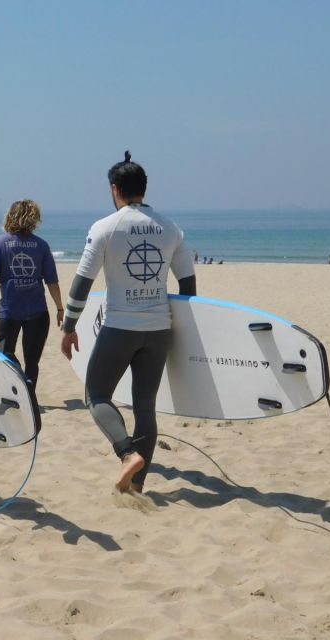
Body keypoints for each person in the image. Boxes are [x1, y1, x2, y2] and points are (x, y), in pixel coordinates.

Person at [60, 151, 196, 494]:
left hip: (121, 327)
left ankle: (126, 454)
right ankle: (136, 487)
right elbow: (188, 285)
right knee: (145, 406)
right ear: (144, 188)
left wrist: (69, 326)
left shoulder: (105, 228)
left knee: (97, 395)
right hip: (159, 329)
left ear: (115, 189)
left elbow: (82, 282)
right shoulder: (170, 228)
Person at [0, 199, 63, 389]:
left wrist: (6, 278)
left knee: (5, 354)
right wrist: (60, 308)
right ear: (34, 218)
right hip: (38, 311)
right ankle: (30, 393)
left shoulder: (0, 243)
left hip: (9, 311)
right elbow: (52, 281)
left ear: (10, 216)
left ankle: (20, 387)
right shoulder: (42, 245)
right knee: (32, 361)